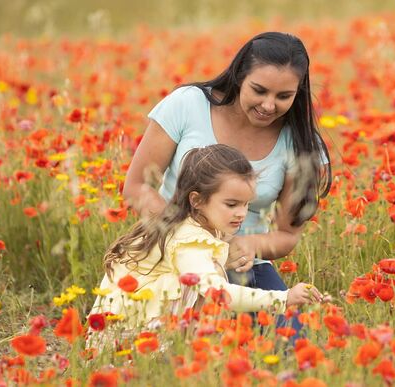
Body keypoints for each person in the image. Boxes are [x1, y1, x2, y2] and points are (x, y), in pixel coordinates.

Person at [122, 31, 331, 297]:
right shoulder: (188, 103)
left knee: (283, 334)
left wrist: (247, 245)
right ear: (240, 76)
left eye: (283, 96)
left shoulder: (301, 143)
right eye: (259, 90)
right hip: (169, 247)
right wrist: (188, 237)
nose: (268, 105)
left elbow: (287, 234)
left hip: (240, 264)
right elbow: (136, 186)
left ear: (297, 93)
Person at [91, 145, 322, 328]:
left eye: (246, 204)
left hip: (137, 321)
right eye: (231, 204)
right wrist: (283, 298)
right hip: (130, 335)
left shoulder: (197, 224)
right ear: (197, 200)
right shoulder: (190, 241)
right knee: (204, 286)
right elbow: (219, 294)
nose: (241, 213)